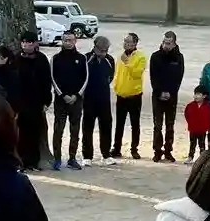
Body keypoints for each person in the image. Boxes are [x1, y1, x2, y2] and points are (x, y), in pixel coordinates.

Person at [11, 30, 54, 172]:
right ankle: (20, 162)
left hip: (36, 102)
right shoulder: (16, 59)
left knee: (35, 133)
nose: (26, 45)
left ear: (35, 44)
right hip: (20, 102)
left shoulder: (41, 59)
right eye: (23, 42)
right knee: (20, 133)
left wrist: (46, 101)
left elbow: (46, 81)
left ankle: (33, 162)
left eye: (29, 42)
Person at [50, 30, 88, 170]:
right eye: (66, 40)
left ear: (75, 41)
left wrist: (76, 95)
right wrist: (62, 95)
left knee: (75, 130)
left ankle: (72, 158)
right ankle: (57, 159)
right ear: (62, 41)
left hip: (76, 101)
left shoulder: (82, 58)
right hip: (61, 101)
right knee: (58, 130)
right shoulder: (55, 59)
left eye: (71, 40)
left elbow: (85, 78)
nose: (68, 43)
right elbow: (53, 78)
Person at [150, 30, 186, 163]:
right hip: (157, 96)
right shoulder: (155, 56)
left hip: (172, 96)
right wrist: (160, 92)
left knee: (170, 125)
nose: (166, 45)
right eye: (164, 42)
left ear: (174, 43)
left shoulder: (179, 58)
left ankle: (168, 151)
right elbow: (153, 77)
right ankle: (157, 151)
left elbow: (178, 78)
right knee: (157, 125)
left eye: (169, 43)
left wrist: (170, 92)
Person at [111, 31, 147, 160]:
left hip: (134, 95)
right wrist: (116, 86)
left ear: (135, 43)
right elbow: (117, 73)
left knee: (135, 124)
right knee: (119, 124)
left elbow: (137, 73)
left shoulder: (140, 57)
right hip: (121, 95)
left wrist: (127, 63)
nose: (126, 44)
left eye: (128, 41)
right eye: (125, 41)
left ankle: (134, 149)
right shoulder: (120, 56)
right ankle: (116, 148)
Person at [81, 35, 116, 165]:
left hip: (104, 98)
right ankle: (87, 156)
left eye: (106, 50)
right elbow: (82, 77)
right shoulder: (86, 59)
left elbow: (110, 77)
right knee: (88, 127)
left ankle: (106, 154)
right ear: (95, 47)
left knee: (106, 125)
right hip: (89, 98)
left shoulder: (110, 60)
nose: (104, 53)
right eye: (101, 50)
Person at [183, 86, 210, 164]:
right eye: (195, 94)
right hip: (193, 129)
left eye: (198, 94)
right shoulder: (190, 105)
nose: (196, 96)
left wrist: (208, 126)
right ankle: (190, 157)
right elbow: (186, 114)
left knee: (202, 144)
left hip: (202, 130)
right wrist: (190, 123)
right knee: (192, 144)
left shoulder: (208, 106)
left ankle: (202, 158)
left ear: (204, 96)